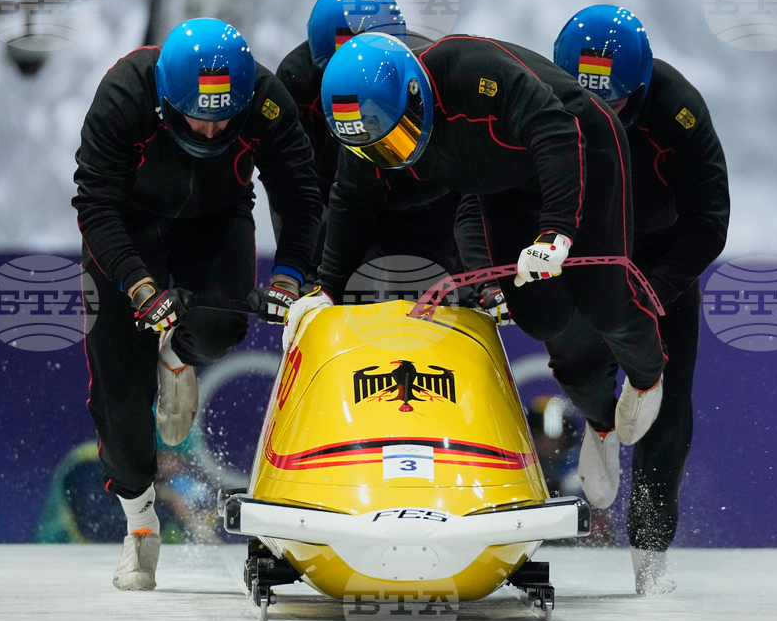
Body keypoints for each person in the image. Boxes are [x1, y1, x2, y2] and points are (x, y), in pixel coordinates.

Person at [282, 33, 667, 451]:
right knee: (543, 318)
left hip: (581, 147)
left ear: (416, 91)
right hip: (504, 183)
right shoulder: (366, 133)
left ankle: (648, 375)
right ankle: (601, 424)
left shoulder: (472, 70)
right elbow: (352, 201)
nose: (393, 155)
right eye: (379, 148)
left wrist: (555, 231)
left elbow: (554, 129)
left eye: (398, 137)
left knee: (604, 303)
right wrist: (325, 289)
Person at [72, 18, 322, 590]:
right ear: (164, 100)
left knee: (219, 327)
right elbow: (95, 205)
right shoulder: (123, 95)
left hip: (215, 220)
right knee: (120, 396)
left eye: (222, 118)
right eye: (197, 115)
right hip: (127, 231)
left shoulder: (264, 101)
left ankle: (178, 358)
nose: (211, 131)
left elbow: (300, 195)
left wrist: (289, 275)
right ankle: (139, 530)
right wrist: (140, 288)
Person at [541, 5, 729, 594]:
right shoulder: (542, 96)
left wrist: (657, 290)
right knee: (575, 353)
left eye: (615, 105)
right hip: (584, 243)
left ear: (641, 90)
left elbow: (709, 218)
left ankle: (650, 557)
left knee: (667, 410)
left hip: (659, 252)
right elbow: (497, 187)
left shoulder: (679, 111)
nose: (601, 117)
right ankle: (599, 421)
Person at [274, 0, 461, 283]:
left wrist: (472, 272)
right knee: (324, 290)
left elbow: (464, 167)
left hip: (417, 199)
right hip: (337, 201)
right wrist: (297, 268)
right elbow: (290, 183)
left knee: (427, 298)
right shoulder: (296, 79)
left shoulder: (430, 69)